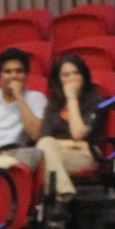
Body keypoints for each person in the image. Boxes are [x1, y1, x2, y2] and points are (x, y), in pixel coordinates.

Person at [26, 53, 102, 200]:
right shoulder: (54, 105)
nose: (72, 78)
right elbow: (45, 138)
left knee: (42, 162)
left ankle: (54, 202)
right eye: (66, 75)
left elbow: (79, 134)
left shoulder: (95, 100)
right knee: (46, 150)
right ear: (59, 79)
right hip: (58, 152)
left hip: (86, 155)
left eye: (76, 73)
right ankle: (64, 194)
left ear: (83, 76)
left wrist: (72, 98)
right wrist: (73, 144)